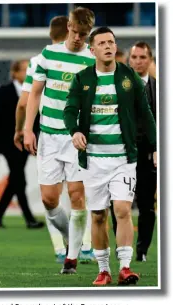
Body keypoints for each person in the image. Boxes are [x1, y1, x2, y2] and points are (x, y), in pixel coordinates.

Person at [63, 26, 156, 286]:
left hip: (123, 160)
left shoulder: (129, 78)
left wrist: (157, 145)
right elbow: (69, 110)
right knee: (98, 215)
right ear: (92, 50)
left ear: (115, 47)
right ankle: (103, 269)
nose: (108, 46)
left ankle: (125, 267)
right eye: (102, 43)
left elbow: (146, 116)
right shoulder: (82, 79)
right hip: (92, 160)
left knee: (123, 209)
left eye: (111, 42)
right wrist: (74, 132)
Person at [15, 15, 96, 264]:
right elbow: (34, 95)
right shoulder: (48, 54)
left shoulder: (92, 60)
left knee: (77, 195)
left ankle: (76, 251)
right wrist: (28, 129)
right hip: (48, 136)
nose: (79, 37)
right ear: (69, 27)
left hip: (76, 137)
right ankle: (72, 240)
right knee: (50, 200)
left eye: (85, 33)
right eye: (76, 31)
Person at [0, 59, 44, 229]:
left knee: (15, 179)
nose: (29, 73)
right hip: (8, 144)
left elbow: (37, 119)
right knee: (19, 180)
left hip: (24, 144)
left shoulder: (35, 93)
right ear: (14, 73)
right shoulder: (4, 92)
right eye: (25, 70)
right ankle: (29, 219)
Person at [128, 41, 157, 262]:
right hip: (123, 155)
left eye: (142, 57)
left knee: (147, 206)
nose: (138, 61)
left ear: (150, 60)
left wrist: (159, 149)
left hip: (149, 156)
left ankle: (142, 250)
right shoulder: (117, 86)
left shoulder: (160, 88)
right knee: (119, 204)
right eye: (134, 57)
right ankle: (124, 248)